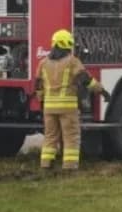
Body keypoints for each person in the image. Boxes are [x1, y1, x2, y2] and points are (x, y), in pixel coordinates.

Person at [35, 29, 107, 171]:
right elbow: (85, 80)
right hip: (67, 108)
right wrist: (102, 91)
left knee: (50, 136)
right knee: (71, 137)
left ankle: (46, 164)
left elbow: (38, 85)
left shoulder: (43, 63)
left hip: (49, 108)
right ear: (66, 44)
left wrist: (42, 101)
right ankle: (69, 167)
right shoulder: (72, 61)